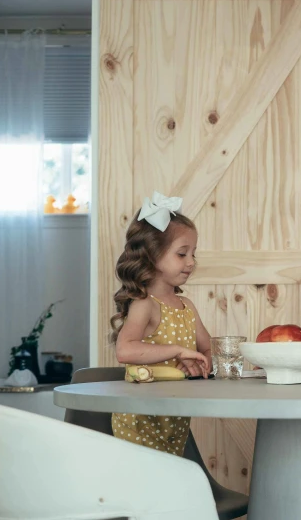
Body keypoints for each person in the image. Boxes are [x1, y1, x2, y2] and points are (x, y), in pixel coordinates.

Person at [110, 192, 212, 456]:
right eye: (181, 254)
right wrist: (178, 351)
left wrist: (201, 364)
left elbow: (207, 349)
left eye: (193, 254)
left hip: (174, 423)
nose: (191, 262)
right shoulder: (145, 303)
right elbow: (126, 350)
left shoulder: (187, 307)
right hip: (139, 424)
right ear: (153, 255)